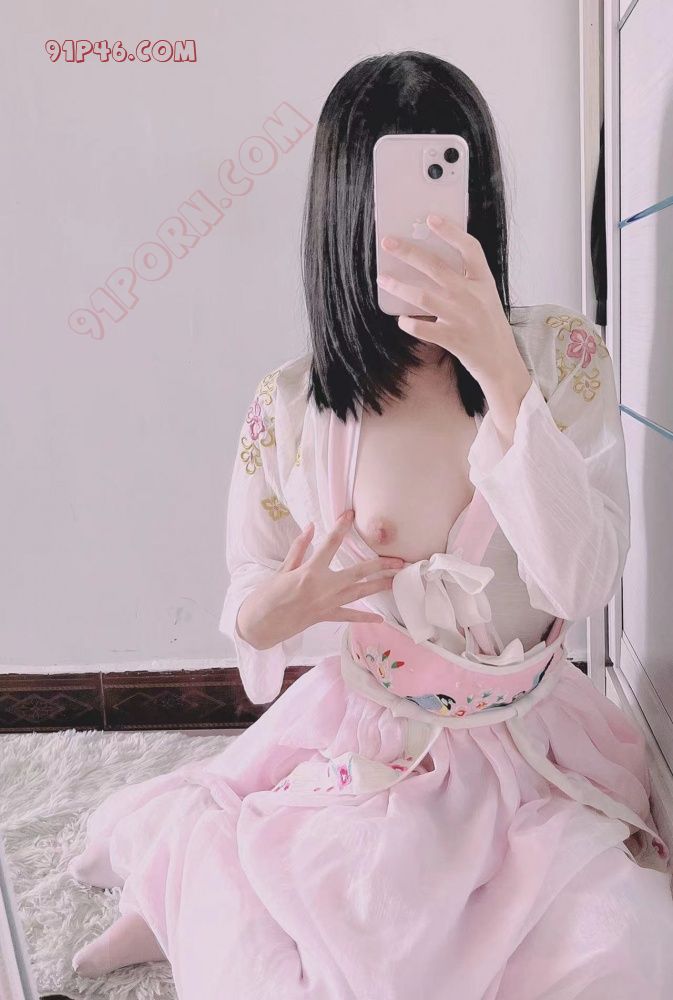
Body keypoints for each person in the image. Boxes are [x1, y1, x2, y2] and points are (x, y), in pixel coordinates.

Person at [68, 51, 673, 999]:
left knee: (623, 950)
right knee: (329, 949)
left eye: (448, 184)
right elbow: (250, 596)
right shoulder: (294, 404)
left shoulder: (560, 356)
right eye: (396, 196)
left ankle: (186, 900)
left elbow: (581, 582)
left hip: (532, 754)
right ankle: (183, 892)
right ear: (347, 209)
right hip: (371, 744)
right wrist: (283, 608)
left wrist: (501, 373)